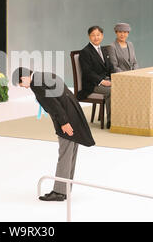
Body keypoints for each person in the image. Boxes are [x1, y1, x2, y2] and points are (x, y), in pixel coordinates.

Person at [12, 67, 95, 202]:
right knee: (70, 154)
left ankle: (59, 192)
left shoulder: (36, 84)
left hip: (66, 118)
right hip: (74, 113)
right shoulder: (44, 75)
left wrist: (64, 123)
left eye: (22, 85)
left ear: (23, 78)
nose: (25, 88)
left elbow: (53, 104)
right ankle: (65, 188)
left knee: (64, 154)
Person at [78, 26, 114, 128]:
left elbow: (110, 67)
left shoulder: (104, 50)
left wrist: (115, 78)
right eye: (93, 35)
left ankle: (121, 118)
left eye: (98, 35)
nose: (96, 37)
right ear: (89, 37)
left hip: (105, 80)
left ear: (102, 36)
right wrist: (102, 81)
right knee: (112, 90)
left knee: (122, 86)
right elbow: (88, 72)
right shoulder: (85, 52)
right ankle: (111, 121)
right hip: (92, 84)